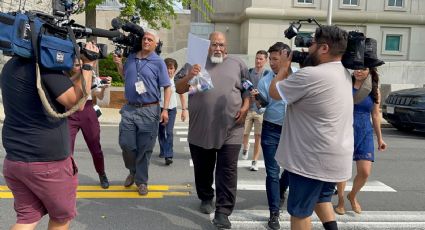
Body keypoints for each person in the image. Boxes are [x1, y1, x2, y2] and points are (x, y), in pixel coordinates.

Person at [1, 42, 98, 230]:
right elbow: (73, 101)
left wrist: (78, 72)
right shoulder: (45, 67)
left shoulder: (11, 65)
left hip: (16, 159)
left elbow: (61, 88)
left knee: (27, 218)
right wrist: (88, 65)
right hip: (47, 163)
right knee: (61, 218)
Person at [270, 25, 353, 230]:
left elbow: (274, 93)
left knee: (299, 213)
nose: (309, 48)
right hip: (334, 157)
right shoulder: (343, 73)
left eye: (313, 43)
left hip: (311, 160)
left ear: (324, 48)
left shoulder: (311, 76)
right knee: (321, 200)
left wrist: (283, 68)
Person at [175, 31, 250, 229]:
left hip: (232, 127)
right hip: (201, 128)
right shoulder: (194, 62)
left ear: (227, 47)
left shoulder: (238, 64)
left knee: (227, 171)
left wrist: (245, 106)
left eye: (221, 45)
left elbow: (247, 88)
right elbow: (179, 88)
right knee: (203, 169)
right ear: (208, 46)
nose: (218, 48)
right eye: (214, 44)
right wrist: (190, 76)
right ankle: (206, 196)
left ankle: (223, 211)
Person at [113, 29, 171, 196]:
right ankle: (133, 170)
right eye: (145, 38)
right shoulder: (131, 57)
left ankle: (141, 180)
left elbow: (167, 87)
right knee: (126, 144)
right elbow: (125, 75)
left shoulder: (158, 62)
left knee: (145, 148)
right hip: (130, 108)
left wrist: (165, 109)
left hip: (150, 110)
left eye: (150, 40)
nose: (146, 41)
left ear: (155, 44)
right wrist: (118, 64)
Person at [335, 38, 387, 215]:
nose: (358, 71)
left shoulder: (373, 89)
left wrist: (380, 138)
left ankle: (352, 196)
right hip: (345, 129)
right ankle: (341, 199)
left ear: (370, 70)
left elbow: (375, 114)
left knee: (364, 172)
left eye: (363, 68)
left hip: (364, 130)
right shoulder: (345, 83)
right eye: (357, 67)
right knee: (343, 170)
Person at [253, 42, 294, 230]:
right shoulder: (265, 80)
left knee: (292, 170)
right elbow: (260, 108)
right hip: (271, 129)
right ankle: (274, 213)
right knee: (272, 172)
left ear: (286, 57)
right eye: (270, 59)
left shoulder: (298, 76)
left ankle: (282, 189)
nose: (272, 63)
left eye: (276, 59)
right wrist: (258, 102)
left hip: (294, 131)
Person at [67, 61, 112, 189]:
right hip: (71, 111)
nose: (80, 67)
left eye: (82, 64)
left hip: (87, 110)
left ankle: (101, 173)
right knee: (67, 149)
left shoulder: (91, 75)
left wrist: (103, 88)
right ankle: (68, 176)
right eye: (76, 65)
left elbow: (99, 95)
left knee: (95, 147)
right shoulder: (65, 77)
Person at [241, 50, 270, 172]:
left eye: (261, 59)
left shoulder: (267, 74)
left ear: (265, 60)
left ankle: (255, 161)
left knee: (258, 136)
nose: (258, 61)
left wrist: (259, 96)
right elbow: (243, 86)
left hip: (260, 110)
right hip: (248, 108)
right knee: (244, 133)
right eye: (257, 58)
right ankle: (246, 146)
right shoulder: (250, 72)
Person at [158, 58, 188, 165]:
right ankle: (163, 150)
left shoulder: (176, 81)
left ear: (175, 70)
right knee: (160, 131)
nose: (169, 71)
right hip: (160, 109)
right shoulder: (159, 80)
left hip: (172, 110)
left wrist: (184, 110)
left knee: (169, 132)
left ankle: (169, 155)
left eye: (171, 68)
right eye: (167, 68)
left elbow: (182, 95)